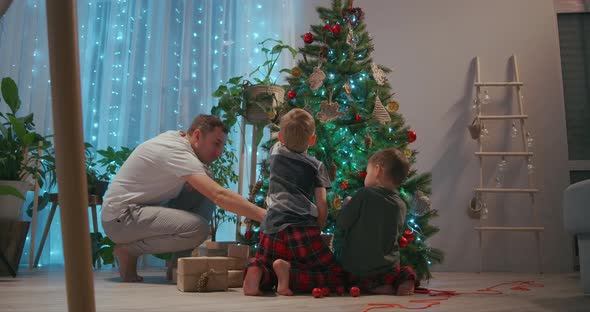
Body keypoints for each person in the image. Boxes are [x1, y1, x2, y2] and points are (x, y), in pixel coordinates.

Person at [100, 114, 266, 282]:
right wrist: (265, 216)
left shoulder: (180, 141)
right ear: (197, 135)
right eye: (215, 144)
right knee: (198, 229)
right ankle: (129, 250)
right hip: (120, 218)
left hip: (138, 211)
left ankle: (178, 268)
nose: (219, 153)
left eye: (221, 146)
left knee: (204, 189)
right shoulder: (177, 151)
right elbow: (219, 195)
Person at [242, 108, 344, 296]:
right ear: (312, 140)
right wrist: (317, 230)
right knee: (336, 275)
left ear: (280, 137)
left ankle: (258, 271)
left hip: (271, 228)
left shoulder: (275, 153)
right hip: (301, 229)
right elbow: (322, 205)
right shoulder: (317, 166)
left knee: (267, 266)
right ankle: (289, 273)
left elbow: (281, 140)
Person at [337, 148, 416, 295]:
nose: (365, 176)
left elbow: (343, 223)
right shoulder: (402, 205)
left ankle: (374, 287)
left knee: (347, 278)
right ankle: (404, 281)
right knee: (404, 270)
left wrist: (347, 205)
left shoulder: (364, 194)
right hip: (389, 269)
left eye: (367, 173)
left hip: (360, 268)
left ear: (378, 170)